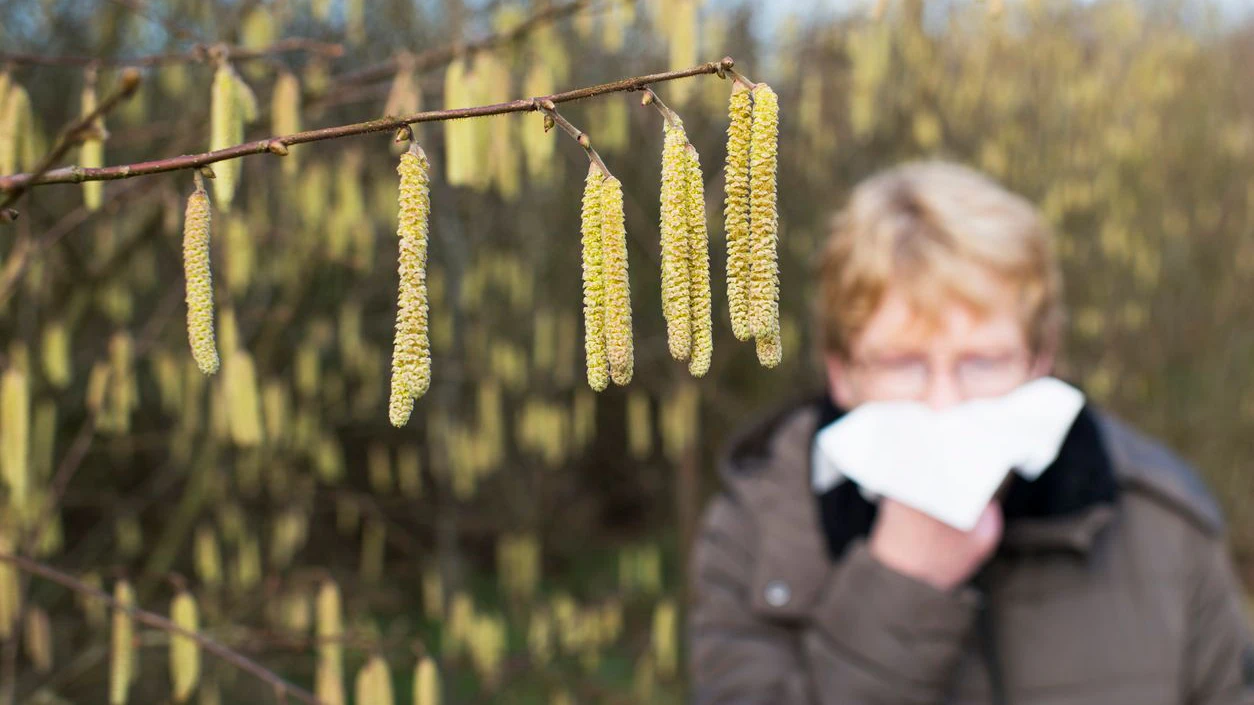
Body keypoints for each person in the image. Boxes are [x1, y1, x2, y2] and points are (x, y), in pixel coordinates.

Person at [687, 161, 1254, 704]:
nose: (944, 405)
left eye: (981, 363)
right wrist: (901, 587)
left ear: (1039, 362)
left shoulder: (1163, 521)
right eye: (903, 364)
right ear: (842, 372)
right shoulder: (758, 532)